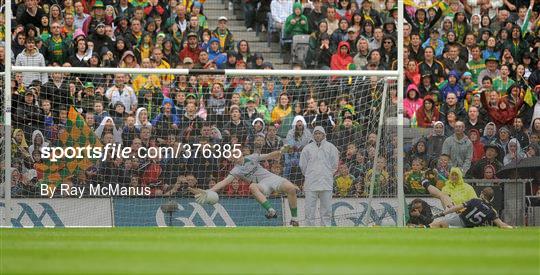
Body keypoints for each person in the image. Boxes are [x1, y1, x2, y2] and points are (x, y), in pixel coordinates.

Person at [192, 146, 301, 226]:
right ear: (231, 159)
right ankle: (271, 210)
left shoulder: (252, 157)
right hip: (261, 185)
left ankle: (294, 219)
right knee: (252, 186)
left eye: (236, 152)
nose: (235, 154)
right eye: (233, 154)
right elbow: (223, 182)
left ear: (240, 153)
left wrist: (281, 151)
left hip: (271, 178)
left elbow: (269, 156)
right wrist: (209, 191)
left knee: (291, 189)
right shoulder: (236, 170)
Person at [423, 182, 512, 228]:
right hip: (466, 226)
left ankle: (425, 183)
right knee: (445, 198)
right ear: (491, 199)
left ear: (481, 194)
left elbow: (456, 208)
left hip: (458, 219)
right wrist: (511, 227)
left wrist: (442, 213)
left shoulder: (475, 201)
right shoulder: (492, 211)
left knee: (443, 196)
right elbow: (501, 224)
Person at [299, 126, 340, 227]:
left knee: (326, 209)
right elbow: (302, 165)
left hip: (326, 182)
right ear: (313, 135)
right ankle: (309, 230)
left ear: (324, 134)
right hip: (311, 183)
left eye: (319, 133)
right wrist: (310, 175)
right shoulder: (307, 148)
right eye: (316, 133)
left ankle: (326, 229)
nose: (318, 135)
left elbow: (335, 165)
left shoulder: (331, 147)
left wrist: (327, 174)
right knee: (309, 209)